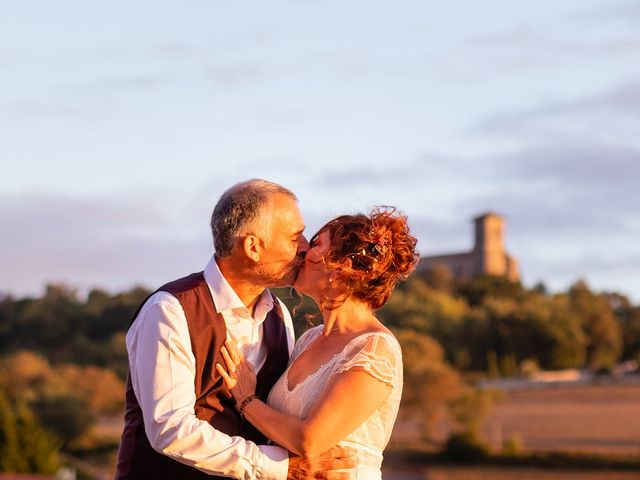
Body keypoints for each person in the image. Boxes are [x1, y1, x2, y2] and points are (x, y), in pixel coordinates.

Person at [115, 179, 356, 480]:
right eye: (295, 237)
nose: (305, 248)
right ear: (253, 247)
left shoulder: (279, 316)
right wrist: (279, 467)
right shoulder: (169, 310)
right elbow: (170, 428)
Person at [217, 207, 419, 479]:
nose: (301, 252)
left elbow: (309, 441)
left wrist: (246, 401)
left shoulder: (374, 348)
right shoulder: (309, 339)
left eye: (315, 244)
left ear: (341, 268)